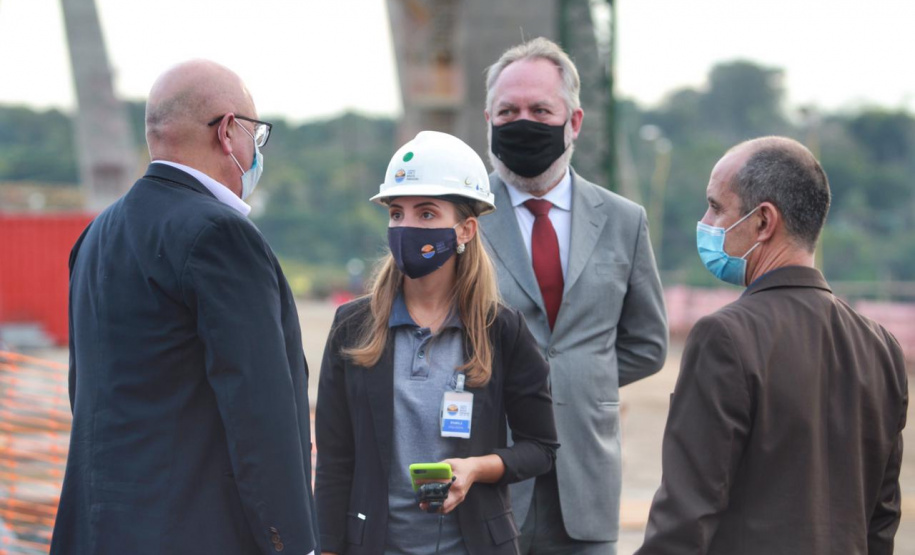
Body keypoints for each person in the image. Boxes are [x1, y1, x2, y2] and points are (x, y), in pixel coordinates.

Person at [50, 60, 319, 555]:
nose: (255, 150)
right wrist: (291, 542)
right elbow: (260, 413)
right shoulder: (220, 234)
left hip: (95, 532)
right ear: (228, 131)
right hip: (194, 533)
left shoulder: (96, 235)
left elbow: (85, 394)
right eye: (255, 134)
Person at [636, 136, 908, 554]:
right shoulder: (882, 348)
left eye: (715, 206)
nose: (706, 221)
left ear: (763, 222)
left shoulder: (725, 336)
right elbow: (881, 519)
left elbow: (686, 517)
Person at [315, 130, 559, 555]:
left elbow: (541, 448)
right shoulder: (351, 327)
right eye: (396, 213)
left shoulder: (502, 330)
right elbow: (336, 462)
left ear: (465, 230)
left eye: (426, 214)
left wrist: (477, 469)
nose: (406, 227)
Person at [479, 38, 668, 554]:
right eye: (508, 111)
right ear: (489, 120)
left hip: (585, 483)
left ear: (575, 121)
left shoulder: (624, 221)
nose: (524, 122)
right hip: (488, 481)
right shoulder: (463, 217)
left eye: (541, 110)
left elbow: (647, 345)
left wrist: (572, 381)